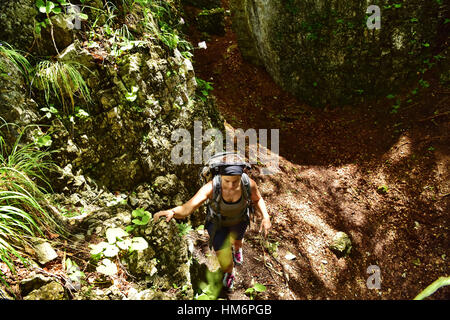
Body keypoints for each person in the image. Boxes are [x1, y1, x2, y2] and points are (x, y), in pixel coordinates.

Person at [153, 164, 271, 291]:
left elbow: (257, 199)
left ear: (241, 177)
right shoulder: (211, 187)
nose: (231, 185)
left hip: (240, 220)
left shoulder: (248, 184)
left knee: (238, 240)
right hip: (218, 224)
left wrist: (265, 216)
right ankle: (230, 272)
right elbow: (188, 207)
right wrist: (173, 212)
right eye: (227, 181)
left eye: (235, 181)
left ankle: (237, 250)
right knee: (225, 260)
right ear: (220, 177)